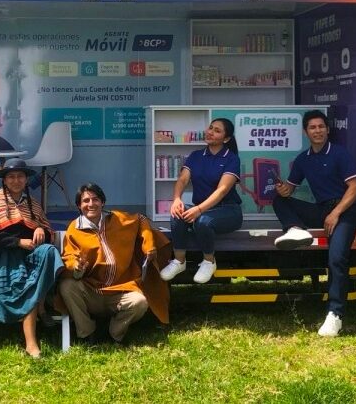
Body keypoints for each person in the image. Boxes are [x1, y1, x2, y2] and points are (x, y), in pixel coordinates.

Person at [272, 110, 356, 337]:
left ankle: (335, 314)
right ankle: (294, 229)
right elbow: (290, 189)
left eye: (321, 126)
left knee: (336, 259)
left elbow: (355, 188)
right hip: (323, 210)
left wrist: (336, 213)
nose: (317, 131)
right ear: (306, 132)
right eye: (312, 127)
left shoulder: (339, 153)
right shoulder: (303, 159)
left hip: (345, 211)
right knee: (279, 201)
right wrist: (283, 189)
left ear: (327, 129)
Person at [57, 183, 172, 344]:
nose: (91, 204)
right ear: (79, 205)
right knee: (67, 286)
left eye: (95, 199)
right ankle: (87, 332)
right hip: (91, 291)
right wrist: (76, 267)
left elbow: (141, 219)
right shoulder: (74, 229)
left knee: (140, 302)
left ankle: (115, 333)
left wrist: (148, 244)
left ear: (102, 202)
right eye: (86, 201)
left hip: (121, 289)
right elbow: (69, 257)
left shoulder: (118, 218)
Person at [0, 158, 63, 358]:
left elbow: (47, 232)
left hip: (28, 256)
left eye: (20, 176)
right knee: (27, 282)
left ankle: (39, 307)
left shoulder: (32, 203)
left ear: (26, 179)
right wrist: (18, 242)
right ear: (4, 180)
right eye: (11, 177)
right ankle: (32, 340)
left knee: (49, 252)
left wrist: (39, 228)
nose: (16, 180)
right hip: (2, 257)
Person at [159, 118, 243, 284]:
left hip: (228, 211)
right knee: (177, 213)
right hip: (202, 209)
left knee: (203, 221)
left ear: (226, 138)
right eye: (210, 128)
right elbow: (183, 179)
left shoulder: (231, 158)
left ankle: (209, 262)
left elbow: (222, 190)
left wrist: (198, 210)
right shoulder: (196, 156)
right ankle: (179, 261)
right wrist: (176, 199)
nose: (210, 132)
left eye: (217, 131)